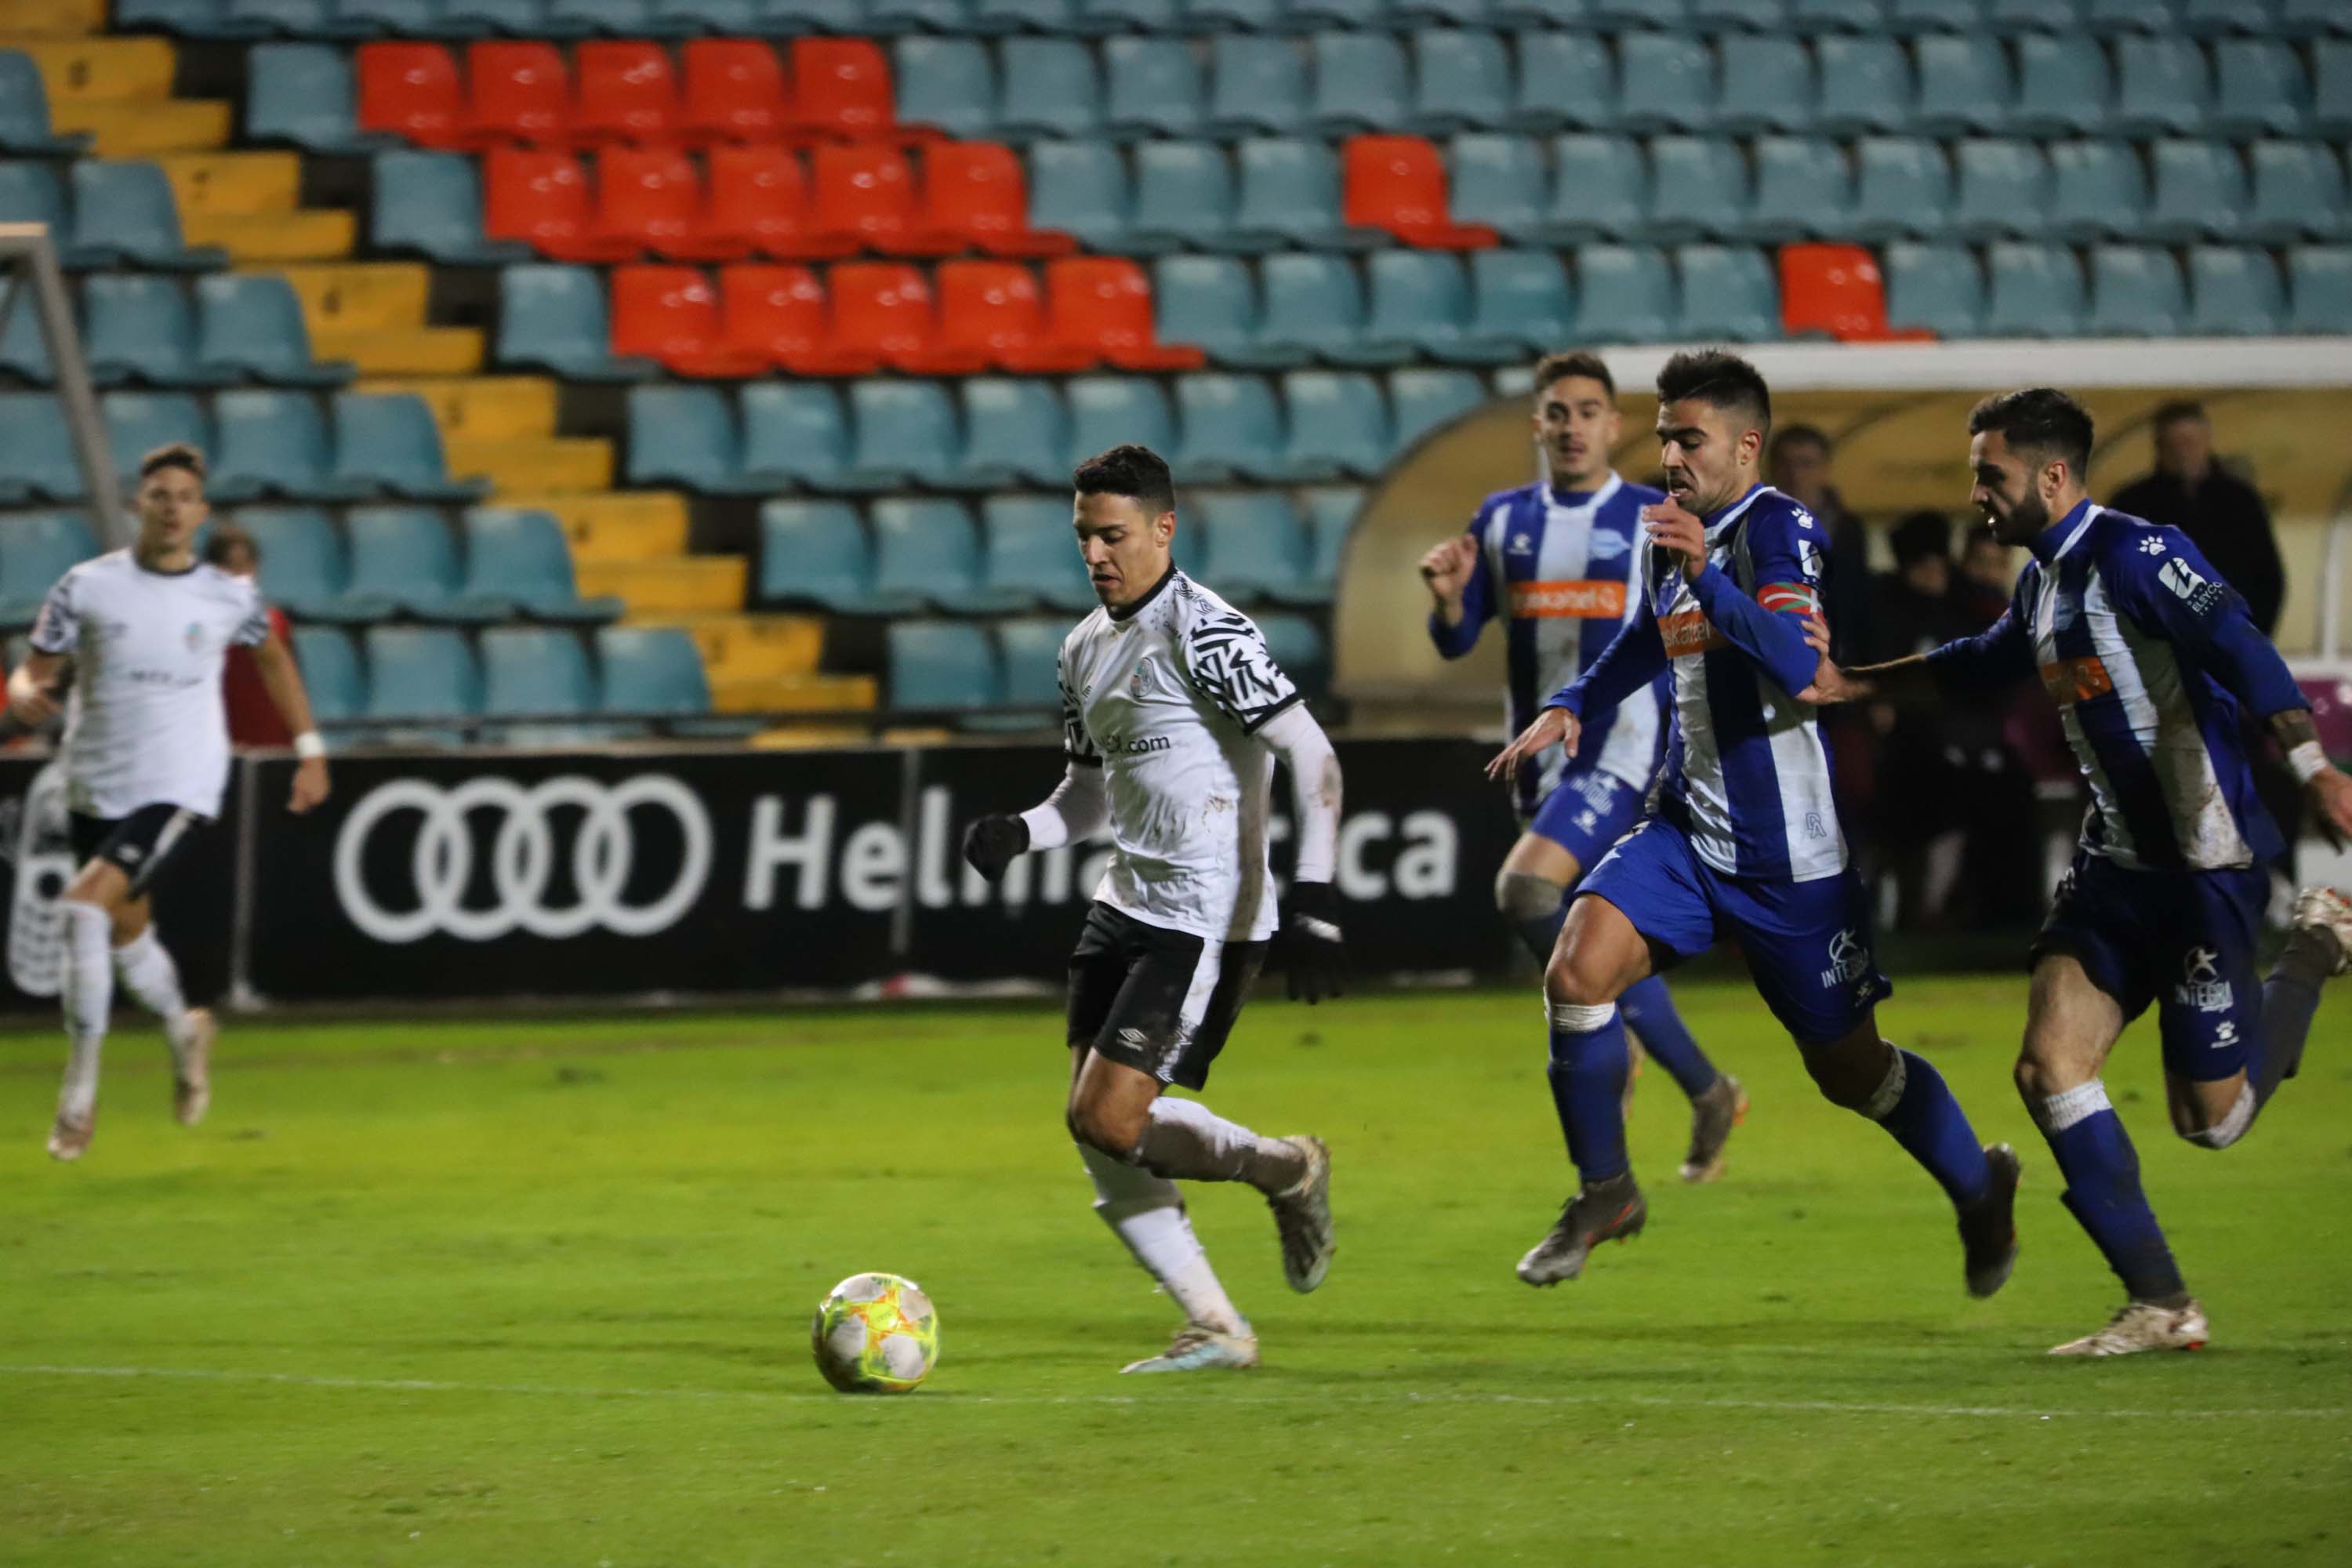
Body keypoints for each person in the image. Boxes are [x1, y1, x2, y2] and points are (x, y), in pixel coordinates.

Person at [1799, 388, 2352, 1356]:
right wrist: (1852, 682)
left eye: (1991, 475)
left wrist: (2314, 768)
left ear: (2052, 475)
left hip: (2200, 867)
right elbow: (1978, 663)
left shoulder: (2144, 554)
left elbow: (2242, 645)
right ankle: (2160, 1301)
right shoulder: (2042, 584)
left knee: (2213, 1122)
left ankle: (2312, 948)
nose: (1977, 493)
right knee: (2048, 1067)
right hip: (2113, 868)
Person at [1486, 350, 2020, 1297]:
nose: (1670, 455)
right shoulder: (1674, 533)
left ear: (1745, 444)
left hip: (1789, 862)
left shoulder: (1782, 527)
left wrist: (1709, 574)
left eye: (1689, 439)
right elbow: (1651, 635)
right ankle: (1606, 1190)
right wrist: (1574, 700)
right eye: (1664, 437)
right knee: (1575, 967)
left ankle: (1980, 1188)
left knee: (1853, 1071)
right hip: (1685, 835)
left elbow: (1799, 664)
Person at [960, 444, 1341, 1375]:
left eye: (1114, 534)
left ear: (1164, 529)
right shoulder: (1082, 648)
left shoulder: (1209, 634)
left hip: (1207, 915)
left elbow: (1312, 753)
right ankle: (1217, 1324)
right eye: (1084, 535)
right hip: (1123, 901)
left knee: (1108, 1117)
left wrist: (1318, 892)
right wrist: (1022, 831)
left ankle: (1284, 1166)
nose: (1096, 553)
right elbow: (1088, 795)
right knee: (1096, 1132)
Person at [1417, 351, 1745, 1254]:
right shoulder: (1502, 519)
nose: (1572, 427)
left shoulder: (1651, 515)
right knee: (1586, 942)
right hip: (1540, 764)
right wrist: (1446, 600)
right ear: (1539, 424)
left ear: (1613, 425)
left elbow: (1688, 627)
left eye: (1589, 411)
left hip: (1625, 753)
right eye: (1557, 412)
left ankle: (1623, 1058)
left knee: (1528, 892)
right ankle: (1708, 1087)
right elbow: (1458, 638)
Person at [7, 444, 332, 1161]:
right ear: (139, 504)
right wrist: (26, 696)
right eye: (160, 495)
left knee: (82, 908)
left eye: (185, 496)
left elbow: (272, 658)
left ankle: (79, 1096)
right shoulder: (87, 586)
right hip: (95, 783)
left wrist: (309, 751)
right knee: (125, 935)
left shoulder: (226, 595)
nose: (172, 507)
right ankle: (186, 1027)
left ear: (201, 511)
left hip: (180, 785)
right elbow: (31, 673)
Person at [2111, 401, 2301, 877]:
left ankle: (2266, 879)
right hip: (2155, 673)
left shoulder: (2240, 503)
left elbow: (2269, 583)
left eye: (2191, 443)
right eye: (2174, 445)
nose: (2184, 453)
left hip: (2229, 669)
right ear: (2158, 448)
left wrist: (2244, 649)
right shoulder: (2132, 506)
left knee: (2255, 774)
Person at [203, 526, 294, 749]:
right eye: (230, 567)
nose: (240, 576)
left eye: (246, 566)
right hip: (217, 743)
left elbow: (289, 688)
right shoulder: (197, 626)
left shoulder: (276, 623)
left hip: (271, 743)